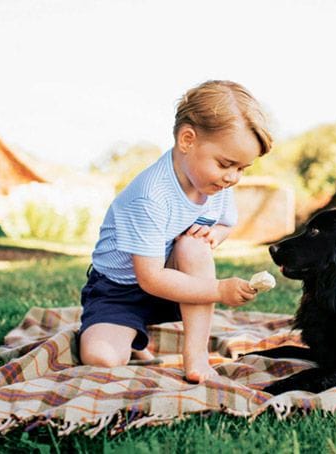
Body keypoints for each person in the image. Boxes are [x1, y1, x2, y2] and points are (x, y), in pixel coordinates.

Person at [78, 80, 272, 383]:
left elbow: (225, 223)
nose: (233, 177)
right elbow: (150, 278)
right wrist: (220, 290)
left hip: (174, 282)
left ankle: (196, 359)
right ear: (187, 139)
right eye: (226, 164)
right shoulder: (150, 195)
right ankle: (129, 335)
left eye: (242, 168)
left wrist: (214, 236)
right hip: (120, 290)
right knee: (102, 359)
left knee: (194, 247)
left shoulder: (215, 183)